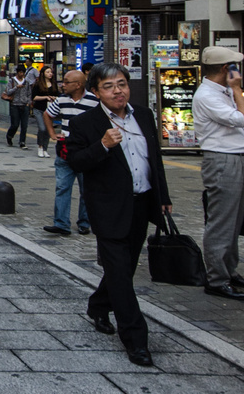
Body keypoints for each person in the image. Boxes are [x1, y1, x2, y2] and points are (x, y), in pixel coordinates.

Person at [67, 62, 171, 368]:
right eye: (110, 86)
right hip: (109, 208)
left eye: (122, 84)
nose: (118, 91)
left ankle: (98, 305)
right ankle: (136, 339)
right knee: (122, 276)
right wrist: (102, 145)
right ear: (97, 91)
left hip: (142, 203)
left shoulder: (144, 115)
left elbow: (156, 158)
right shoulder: (86, 122)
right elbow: (75, 161)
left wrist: (163, 197)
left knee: (123, 270)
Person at [191, 45, 244, 300]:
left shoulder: (220, 91)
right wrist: (236, 90)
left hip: (234, 158)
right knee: (222, 222)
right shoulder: (207, 95)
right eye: (235, 65)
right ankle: (216, 278)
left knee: (234, 220)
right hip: (223, 160)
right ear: (226, 69)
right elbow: (241, 118)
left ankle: (228, 270)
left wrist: (233, 90)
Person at [43, 68, 97, 236]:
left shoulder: (94, 101)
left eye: (67, 82)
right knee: (62, 187)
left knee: (86, 188)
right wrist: (52, 133)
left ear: (78, 85)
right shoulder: (62, 100)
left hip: (85, 150)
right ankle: (61, 223)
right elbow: (47, 114)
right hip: (65, 148)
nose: (63, 85)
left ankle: (84, 222)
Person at [31, 65, 60, 157]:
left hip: (50, 110)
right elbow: (34, 97)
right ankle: (40, 147)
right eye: (48, 72)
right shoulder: (38, 84)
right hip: (39, 109)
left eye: (51, 72)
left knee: (48, 129)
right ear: (43, 74)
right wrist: (45, 97)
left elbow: (58, 95)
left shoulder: (54, 84)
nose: (50, 74)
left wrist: (54, 98)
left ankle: (45, 149)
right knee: (42, 128)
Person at [3, 65, 33, 147]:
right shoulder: (12, 81)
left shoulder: (26, 82)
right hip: (14, 105)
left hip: (24, 105)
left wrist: (28, 102)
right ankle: (9, 135)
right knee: (15, 124)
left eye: (23, 73)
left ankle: (22, 142)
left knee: (24, 125)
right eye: (20, 72)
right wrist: (16, 87)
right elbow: (8, 92)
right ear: (17, 72)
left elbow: (29, 93)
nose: (21, 74)